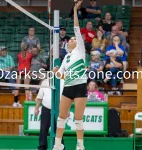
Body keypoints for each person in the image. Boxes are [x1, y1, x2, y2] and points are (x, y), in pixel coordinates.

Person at [52, 1, 87, 150]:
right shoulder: (66, 57)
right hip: (68, 87)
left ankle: (80, 146)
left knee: (78, 119)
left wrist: (74, 10)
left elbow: (76, 28)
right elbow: (62, 76)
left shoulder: (80, 50)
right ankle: (57, 144)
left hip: (79, 87)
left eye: (74, 38)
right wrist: (57, 73)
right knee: (61, 118)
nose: (72, 39)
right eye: (71, 39)